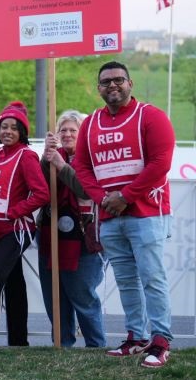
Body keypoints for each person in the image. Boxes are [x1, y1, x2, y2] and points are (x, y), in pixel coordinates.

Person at [73, 61, 175, 368]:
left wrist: (125, 197)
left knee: (152, 278)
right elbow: (81, 166)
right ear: (98, 88)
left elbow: (160, 163)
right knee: (127, 280)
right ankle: (136, 337)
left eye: (119, 80)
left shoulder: (151, 116)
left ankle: (160, 341)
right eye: (106, 82)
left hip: (146, 213)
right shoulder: (90, 124)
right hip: (110, 216)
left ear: (130, 83)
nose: (112, 85)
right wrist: (103, 198)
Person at [0, 101, 49, 355]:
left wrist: (14, 212)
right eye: (3, 127)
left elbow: (41, 194)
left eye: (14, 128)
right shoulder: (0, 154)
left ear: (22, 133)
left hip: (17, 230)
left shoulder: (26, 155)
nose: (7, 131)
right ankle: (19, 340)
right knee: (14, 283)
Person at [38, 110, 105, 348]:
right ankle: (62, 344)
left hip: (83, 236)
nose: (67, 134)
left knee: (82, 294)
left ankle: (96, 346)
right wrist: (47, 158)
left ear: (84, 132)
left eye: (72, 130)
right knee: (54, 295)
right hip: (50, 232)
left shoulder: (94, 157)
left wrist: (61, 164)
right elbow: (42, 184)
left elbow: (85, 189)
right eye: (63, 130)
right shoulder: (53, 156)